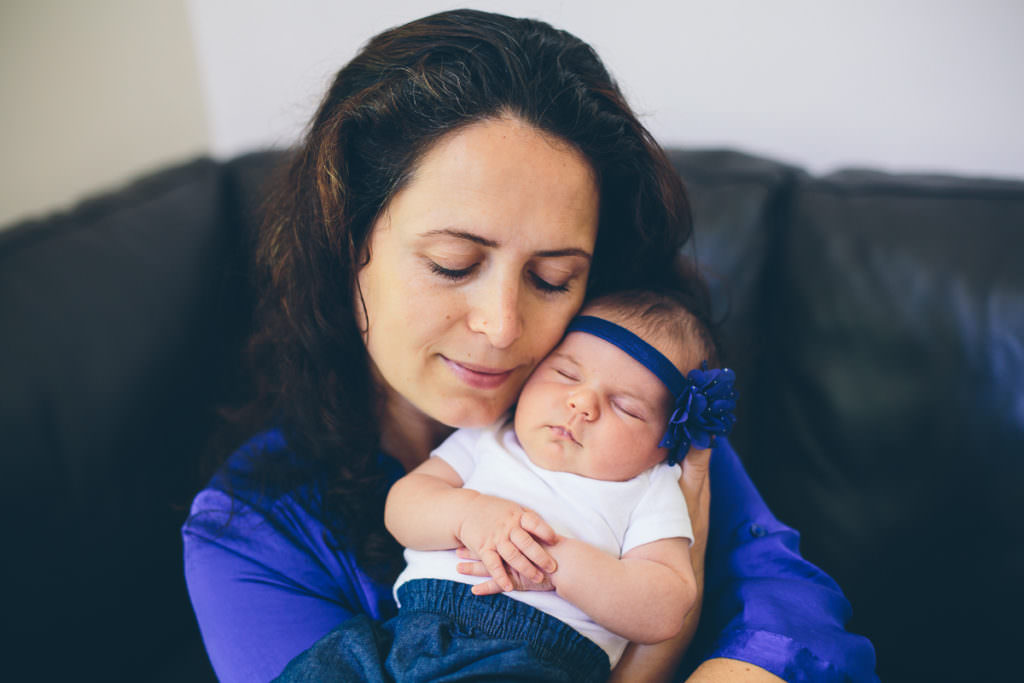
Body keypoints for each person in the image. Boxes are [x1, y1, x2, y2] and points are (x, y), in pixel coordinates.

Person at [182, 8, 878, 682]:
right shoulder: (250, 532)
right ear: (344, 242)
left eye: (552, 278)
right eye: (453, 264)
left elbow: (795, 621)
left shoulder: (624, 410)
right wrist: (651, 661)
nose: (504, 326)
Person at [273, 291, 733, 681]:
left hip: (534, 657)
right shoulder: (491, 436)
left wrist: (554, 564)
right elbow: (403, 507)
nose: (581, 403)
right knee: (325, 666)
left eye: (626, 407)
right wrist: (469, 515)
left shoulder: (649, 489)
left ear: (663, 447)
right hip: (408, 632)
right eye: (566, 374)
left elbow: (665, 608)